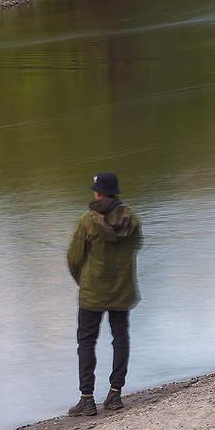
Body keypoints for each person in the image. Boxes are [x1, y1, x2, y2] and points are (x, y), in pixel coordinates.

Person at [65, 171, 142, 416]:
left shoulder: (87, 221)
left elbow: (73, 258)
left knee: (86, 341)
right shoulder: (133, 220)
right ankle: (115, 394)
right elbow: (135, 247)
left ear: (98, 193)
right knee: (120, 338)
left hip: (92, 292)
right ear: (115, 192)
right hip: (122, 289)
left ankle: (86, 398)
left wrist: (84, 281)